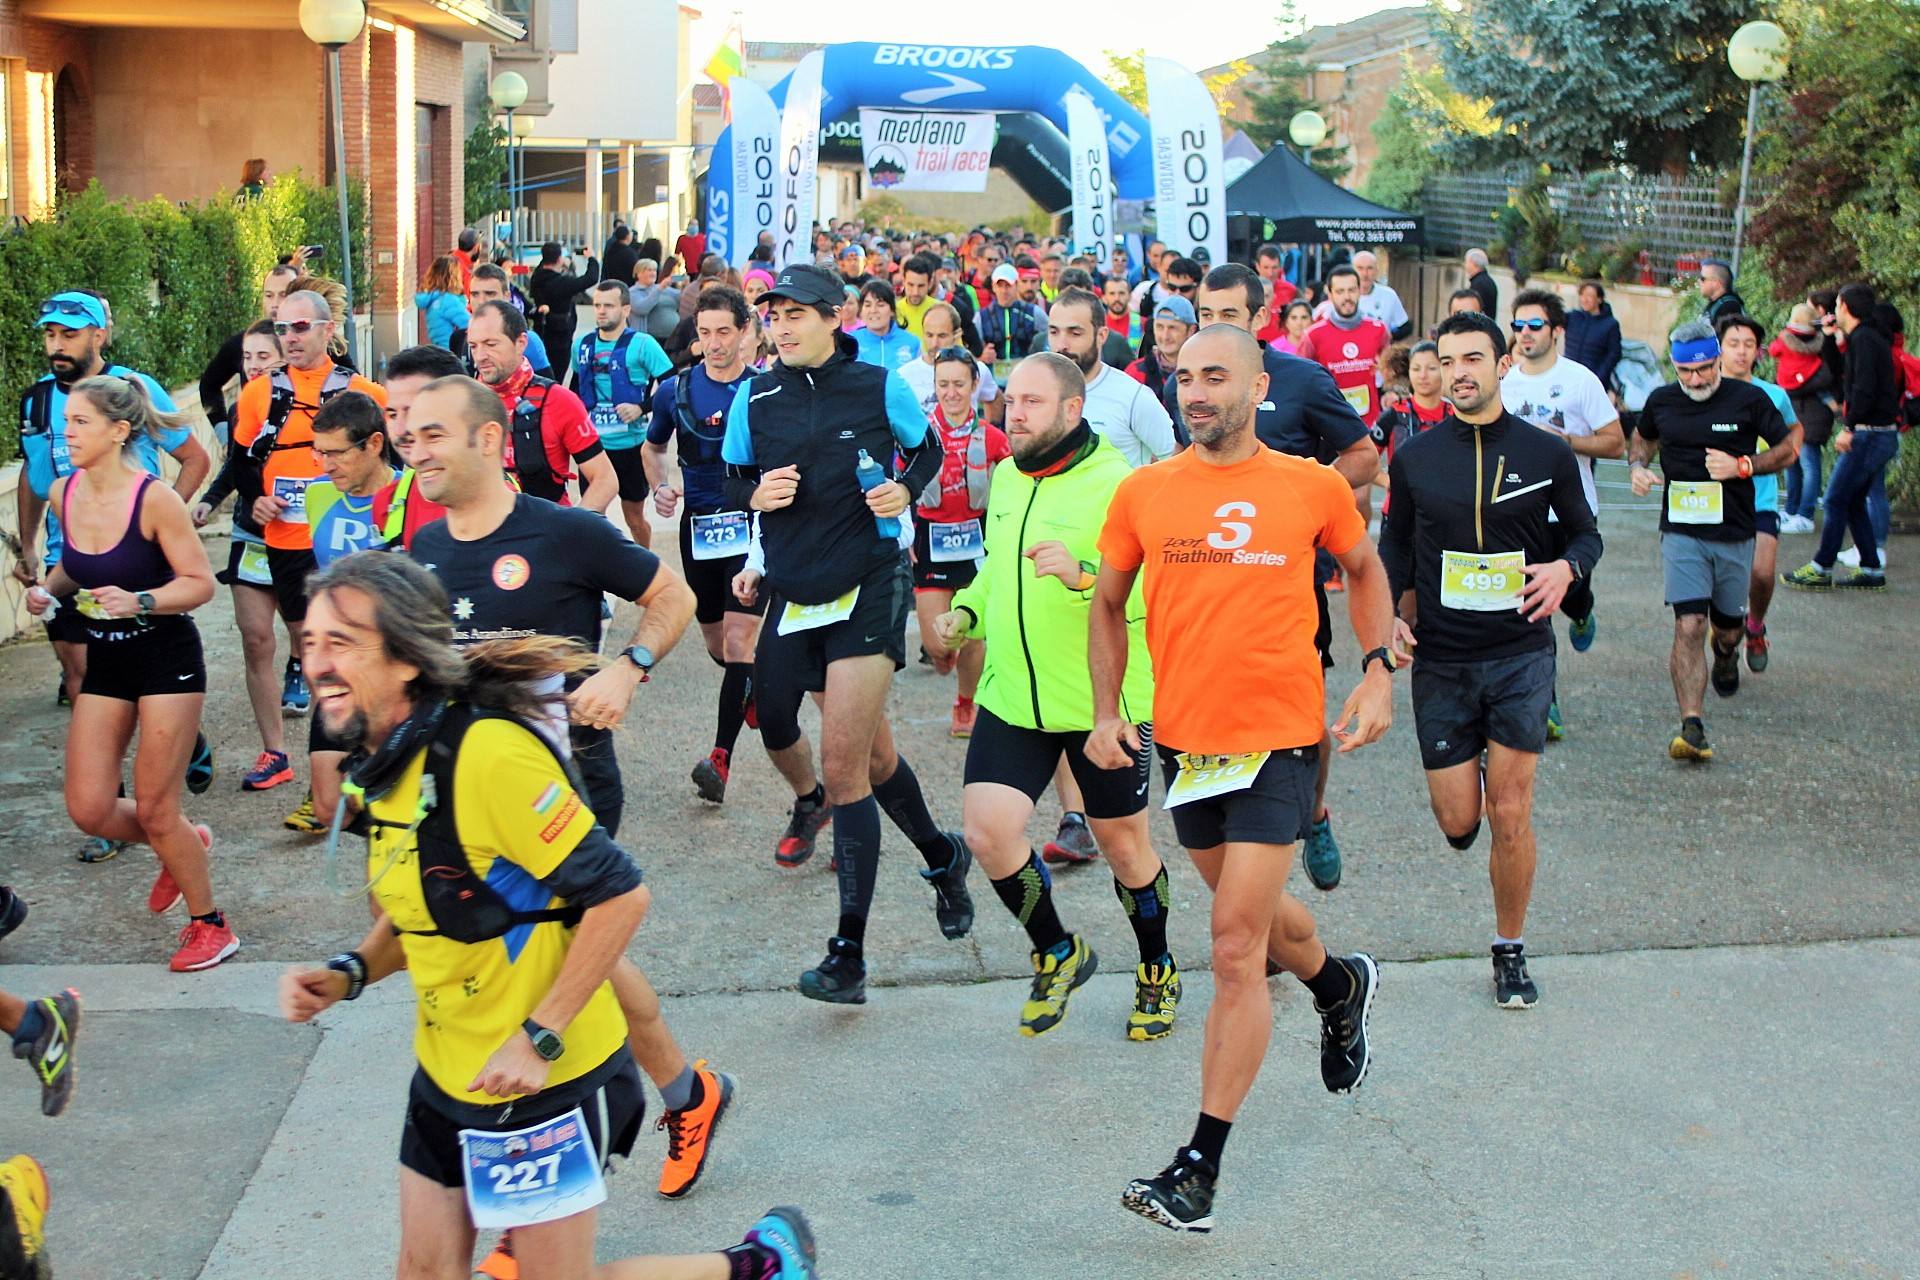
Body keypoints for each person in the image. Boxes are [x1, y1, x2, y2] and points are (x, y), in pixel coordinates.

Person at [279, 555, 819, 1280]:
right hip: (448, 1076)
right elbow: (426, 913)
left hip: (540, 1090)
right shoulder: (381, 763)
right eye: (310, 643)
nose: (317, 663)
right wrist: (349, 973)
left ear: (406, 659)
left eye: (340, 643)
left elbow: (620, 895)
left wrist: (540, 1036)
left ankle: (755, 1266)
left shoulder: (485, 756)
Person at [400, 377, 739, 1234]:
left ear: (489, 441)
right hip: (468, 808)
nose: (417, 446)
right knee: (573, 962)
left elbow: (673, 597)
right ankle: (685, 1093)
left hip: (569, 792)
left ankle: (534, 1215)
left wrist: (629, 669)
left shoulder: (564, 532)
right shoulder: (426, 552)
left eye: (434, 432)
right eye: (409, 431)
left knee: (548, 971)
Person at [1090, 324, 1390, 1232]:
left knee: (1230, 946)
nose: (1197, 392)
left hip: (1282, 742)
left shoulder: (1312, 485)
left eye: (1216, 377)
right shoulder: (1145, 492)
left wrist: (1378, 669)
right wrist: (1111, 715)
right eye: (1185, 378)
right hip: (1187, 746)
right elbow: (1107, 604)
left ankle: (1198, 1169)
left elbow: (1366, 568)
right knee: (1253, 926)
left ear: (1260, 386)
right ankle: (1338, 986)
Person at [720, 263, 969, 1001]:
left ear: (834, 318)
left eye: (796, 313)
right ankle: (940, 854)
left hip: (869, 579)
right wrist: (754, 494)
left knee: (845, 765)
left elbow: (926, 449)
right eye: (774, 315)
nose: (783, 326)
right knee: (789, 724)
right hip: (794, 590)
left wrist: (907, 487)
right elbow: (731, 475)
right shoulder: (754, 395)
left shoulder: (879, 384)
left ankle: (848, 955)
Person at [929, 353, 1179, 1039]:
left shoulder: (1119, 486)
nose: (1016, 412)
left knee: (1125, 848)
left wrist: (1084, 573)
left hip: (1104, 704)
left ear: (1073, 410)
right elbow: (993, 571)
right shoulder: (1008, 478)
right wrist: (966, 613)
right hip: (1014, 696)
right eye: (1011, 399)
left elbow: (1153, 591)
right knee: (986, 832)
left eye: (1033, 402)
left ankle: (1157, 968)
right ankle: (1058, 948)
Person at [1381, 310, 1602, 1009]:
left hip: (1519, 654)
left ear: (1503, 363)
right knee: (1459, 824)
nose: (1460, 373)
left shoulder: (1547, 454)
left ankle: (1509, 949)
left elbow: (1587, 534)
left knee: (1511, 812)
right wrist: (1388, 617)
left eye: (1473, 358)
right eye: (1448, 362)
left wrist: (1567, 569)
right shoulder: (1415, 458)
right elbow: (1395, 550)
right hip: (1443, 659)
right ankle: (1472, 775)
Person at [1179, 263, 1379, 892]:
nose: (1213, 328)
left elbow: (1363, 454)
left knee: (1301, 713)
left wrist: (1302, 497)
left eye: (1228, 316)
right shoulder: (1189, 384)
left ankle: (1314, 811)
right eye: (1204, 316)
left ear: (1261, 320)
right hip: (1207, 582)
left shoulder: (1301, 380)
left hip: (1289, 582)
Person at [25, 376, 231, 972]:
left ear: (119, 432)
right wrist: (47, 590)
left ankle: (210, 925)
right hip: (107, 660)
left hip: (166, 661)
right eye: (66, 424)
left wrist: (140, 600)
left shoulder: (154, 500)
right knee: (89, 807)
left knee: (157, 807)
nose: (68, 434)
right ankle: (184, 844)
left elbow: (198, 584)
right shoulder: (65, 493)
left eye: (80, 424)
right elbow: (75, 563)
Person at [17, 292, 213, 724]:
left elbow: (196, 458)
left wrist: (160, 523)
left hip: (134, 561)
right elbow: (32, 475)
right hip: (67, 556)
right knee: (80, 675)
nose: (57, 346)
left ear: (99, 336)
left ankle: (173, 729)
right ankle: (108, 773)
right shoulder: (35, 401)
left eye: (69, 334)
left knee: (138, 670)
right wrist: (29, 548)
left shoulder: (132, 390)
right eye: (50, 335)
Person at [231, 289, 387, 828]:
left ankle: (355, 764)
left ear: (326, 329)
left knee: (357, 646)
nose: (289, 338)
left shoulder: (364, 391)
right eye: (281, 329)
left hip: (350, 537)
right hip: (287, 537)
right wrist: (256, 497)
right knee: (310, 641)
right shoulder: (258, 394)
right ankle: (334, 770)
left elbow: (389, 457)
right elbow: (241, 460)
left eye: (300, 327)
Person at [1631, 320, 1799, 762]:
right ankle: (1692, 725)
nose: (1696, 380)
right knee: (1689, 624)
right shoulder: (1662, 401)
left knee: (1727, 628)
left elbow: (1789, 448)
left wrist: (1744, 465)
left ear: (1718, 361)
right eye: (1686, 371)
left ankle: (1727, 652)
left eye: (1704, 369)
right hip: (1682, 532)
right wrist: (1637, 467)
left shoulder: (1749, 400)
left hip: (1734, 531)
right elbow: (1643, 438)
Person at [643, 287, 767, 804]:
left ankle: (720, 758)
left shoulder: (765, 391)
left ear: (744, 334)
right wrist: (661, 486)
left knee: (739, 642)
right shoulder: (675, 391)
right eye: (705, 333)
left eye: (723, 332)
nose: (714, 344)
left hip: (754, 526)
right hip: (700, 528)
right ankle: (751, 687)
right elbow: (653, 448)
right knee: (721, 648)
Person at [1499, 287, 1625, 737]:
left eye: (1535, 326)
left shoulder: (1580, 380)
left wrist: (1564, 441)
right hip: (1519, 513)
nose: (1525, 334)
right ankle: (1545, 702)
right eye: (1518, 326)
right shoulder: (1502, 382)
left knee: (1570, 595)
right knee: (1533, 609)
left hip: (1572, 511)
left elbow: (1615, 442)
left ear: (1556, 332)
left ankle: (1584, 608)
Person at [192, 320, 301, 793]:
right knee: (256, 639)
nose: (254, 366)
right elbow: (237, 467)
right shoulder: (243, 409)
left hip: (303, 542)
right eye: (248, 358)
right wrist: (208, 501)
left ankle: (342, 751)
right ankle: (274, 752)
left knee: (315, 645)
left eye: (264, 356)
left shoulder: (317, 400)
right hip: (250, 534)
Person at [298, 391, 398, 837]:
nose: (325, 465)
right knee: (326, 805)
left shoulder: (410, 495)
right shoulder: (317, 497)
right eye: (319, 453)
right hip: (337, 672)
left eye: (336, 453)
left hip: (391, 669)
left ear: (374, 444)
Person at [912, 349, 1012, 738]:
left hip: (978, 542)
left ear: (974, 386)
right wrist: (904, 536)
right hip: (931, 541)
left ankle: (966, 702)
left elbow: (1011, 492)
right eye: (943, 385)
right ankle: (943, 656)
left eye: (959, 384)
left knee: (974, 633)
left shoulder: (994, 438)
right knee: (937, 644)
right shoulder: (915, 433)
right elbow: (897, 485)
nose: (951, 393)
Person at [1782, 283, 1900, 593]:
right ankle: (1871, 569)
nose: (1833, 310)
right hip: (1877, 435)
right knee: (1853, 502)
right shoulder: (1864, 338)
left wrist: (1849, 427)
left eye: (1837, 304)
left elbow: (1862, 389)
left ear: (1846, 306)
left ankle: (1821, 567)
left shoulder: (1865, 340)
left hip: (1869, 435)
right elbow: (1840, 374)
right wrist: (1835, 339)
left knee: (1835, 499)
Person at [468, 300, 616, 512]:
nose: (480, 356)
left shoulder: (559, 401)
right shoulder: (464, 401)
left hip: (543, 534)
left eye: (491, 344)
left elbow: (605, 480)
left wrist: (568, 530)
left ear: (521, 343)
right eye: (474, 346)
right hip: (482, 537)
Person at [1714, 313, 1798, 674]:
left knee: (1762, 573)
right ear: (1719, 348)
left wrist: (1780, 457)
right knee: (1720, 586)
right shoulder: (1704, 391)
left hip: (1759, 497)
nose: (1741, 352)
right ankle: (1725, 645)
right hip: (1712, 503)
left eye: (1749, 345)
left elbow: (1794, 433)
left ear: (1758, 352)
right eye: (1733, 344)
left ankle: (1755, 627)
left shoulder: (1773, 395)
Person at [571, 281, 675, 548]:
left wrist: (641, 408)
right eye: (597, 305)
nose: (601, 311)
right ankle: (601, 576)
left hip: (630, 446)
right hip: (592, 449)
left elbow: (671, 385)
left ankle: (644, 565)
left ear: (626, 309)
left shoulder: (643, 344)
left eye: (609, 305)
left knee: (634, 518)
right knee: (593, 518)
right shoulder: (582, 345)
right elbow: (574, 391)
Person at [1046, 288, 1177, 468]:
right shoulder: (1038, 394)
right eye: (1054, 332)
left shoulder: (1133, 397)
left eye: (1074, 333)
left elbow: (1174, 462)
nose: (1062, 345)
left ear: (1101, 335)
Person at [369, 345, 472, 552]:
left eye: (414, 410)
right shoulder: (388, 502)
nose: (400, 430)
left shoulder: (498, 502)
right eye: (392, 414)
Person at [198, 262, 303, 439]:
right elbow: (209, 385)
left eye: (283, 295)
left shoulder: (318, 344)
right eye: (269, 295)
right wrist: (224, 431)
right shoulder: (242, 342)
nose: (275, 304)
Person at [1296, 265, 1393, 431]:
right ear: (1330, 294)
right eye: (1340, 291)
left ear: (1359, 291)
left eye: (1352, 290)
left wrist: (1391, 390)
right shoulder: (1313, 335)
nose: (1347, 297)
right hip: (1329, 424)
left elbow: (1392, 368)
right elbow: (1299, 379)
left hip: (1369, 424)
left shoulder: (1378, 329)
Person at [1769, 303, 1837, 532]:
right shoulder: (1821, 346)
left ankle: (1805, 514)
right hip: (1800, 413)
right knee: (1794, 464)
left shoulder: (1786, 345)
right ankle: (1792, 510)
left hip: (1809, 416)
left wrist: (1793, 388)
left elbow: (1773, 350)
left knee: (1806, 463)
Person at [897, 303, 1002, 426]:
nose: (934, 343)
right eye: (929, 335)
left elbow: (995, 398)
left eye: (942, 336)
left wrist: (987, 433)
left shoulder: (978, 370)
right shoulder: (904, 375)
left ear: (957, 334)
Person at [1370, 340, 1448, 500]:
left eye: (1432, 368)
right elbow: (1363, 459)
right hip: (1399, 511)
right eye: (1416, 369)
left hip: (1445, 510)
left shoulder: (1457, 414)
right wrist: (1388, 482)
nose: (1423, 375)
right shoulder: (1394, 415)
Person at [528, 242, 600, 381]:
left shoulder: (537, 278)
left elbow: (545, 265)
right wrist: (591, 258)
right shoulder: (562, 283)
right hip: (560, 335)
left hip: (541, 330)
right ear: (559, 259)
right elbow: (591, 278)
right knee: (556, 374)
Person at [468, 263, 552, 375]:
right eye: (475, 294)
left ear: (506, 296)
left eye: (490, 294)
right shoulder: (459, 339)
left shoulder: (528, 341)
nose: (481, 301)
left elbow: (548, 388)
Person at [1125, 297, 1196, 406]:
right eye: (1159, 327)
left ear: (1191, 330)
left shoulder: (1202, 373)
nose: (1165, 336)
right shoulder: (1136, 371)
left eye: (1173, 328)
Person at [978, 264, 1045, 367]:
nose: (1004, 291)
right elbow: (970, 351)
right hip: (993, 376)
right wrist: (981, 356)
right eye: (999, 285)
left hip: (1026, 374)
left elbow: (1049, 339)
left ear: (1017, 285)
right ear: (993, 286)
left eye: (1008, 286)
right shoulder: (981, 316)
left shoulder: (1034, 312)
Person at [1563, 280, 1623, 394]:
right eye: (1582, 295)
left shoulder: (1610, 324)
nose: (1584, 299)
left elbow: (1615, 354)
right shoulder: (1572, 317)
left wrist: (1599, 377)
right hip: (1569, 379)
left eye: (1589, 296)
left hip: (1593, 382)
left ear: (1599, 299)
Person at [852, 280, 922, 370]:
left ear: (892, 310)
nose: (873, 310)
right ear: (861, 311)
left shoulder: (912, 342)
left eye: (880, 305)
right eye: (868, 305)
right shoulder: (850, 341)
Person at [415, 255, 472, 352]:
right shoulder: (448, 300)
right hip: (453, 350)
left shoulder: (433, 298)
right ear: (453, 275)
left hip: (440, 348)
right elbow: (469, 324)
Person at [1350, 250, 1411, 340]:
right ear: (1352, 270)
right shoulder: (1343, 295)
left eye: (1369, 268)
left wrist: (1388, 336)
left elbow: (1405, 327)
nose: (1365, 274)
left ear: (1376, 270)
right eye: (1360, 268)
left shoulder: (1389, 295)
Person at [629, 258, 682, 347]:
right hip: (650, 340)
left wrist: (684, 286)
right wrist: (659, 289)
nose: (653, 273)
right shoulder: (633, 292)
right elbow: (642, 308)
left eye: (654, 270)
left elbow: (681, 298)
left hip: (673, 338)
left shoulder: (663, 288)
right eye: (649, 270)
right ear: (638, 273)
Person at [1699, 261, 1746, 325]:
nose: (1699, 281)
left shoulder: (1728, 309)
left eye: (1702, 278)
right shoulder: (1721, 305)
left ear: (1717, 283)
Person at [1463, 248, 1498, 319]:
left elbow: (1473, 309)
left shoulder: (1479, 284)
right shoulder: (1487, 281)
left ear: (1473, 263)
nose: (1465, 265)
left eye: (1466, 261)